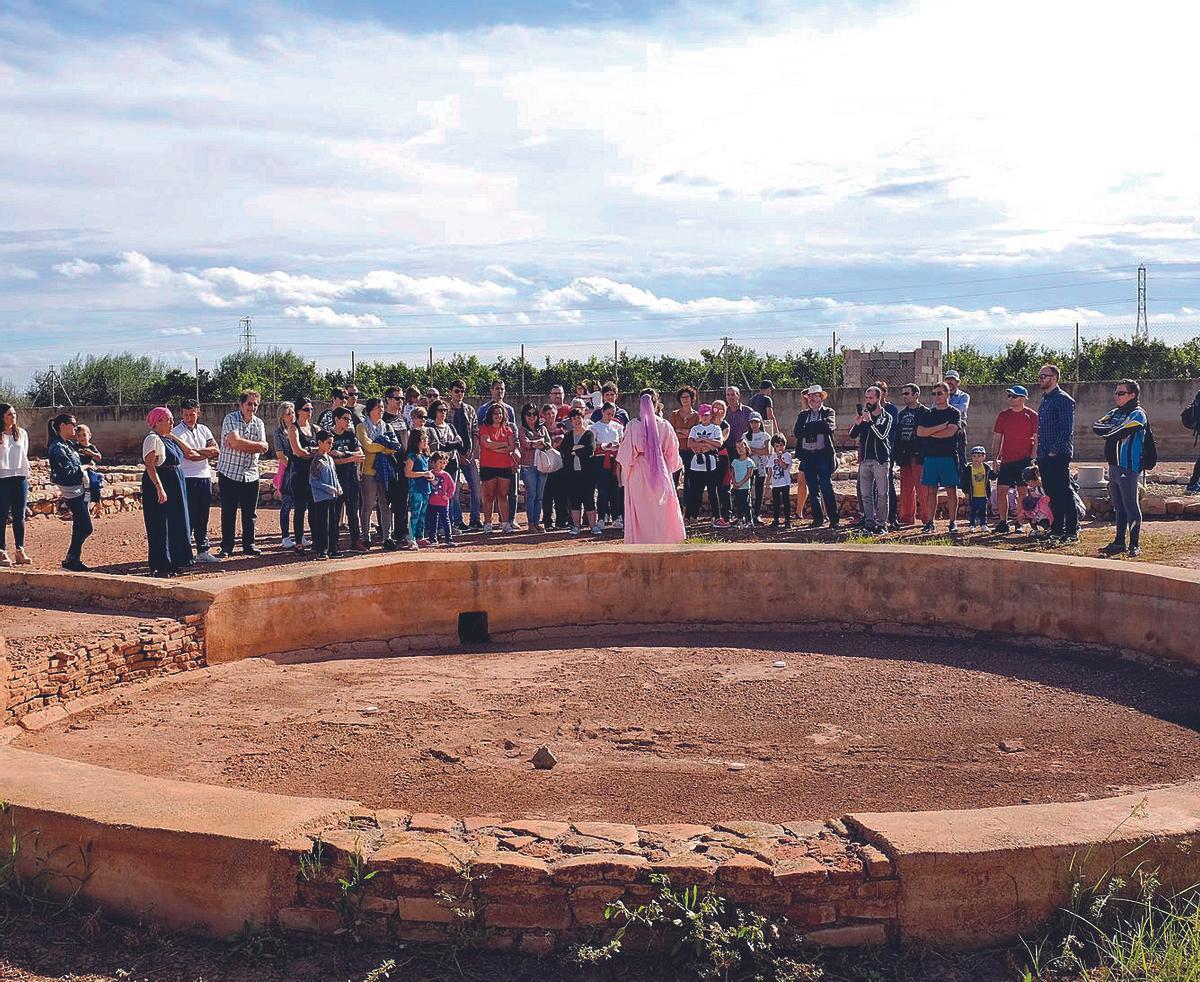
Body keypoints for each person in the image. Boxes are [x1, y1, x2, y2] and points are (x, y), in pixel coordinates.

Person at [614, 389, 685, 544]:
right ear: (656, 403)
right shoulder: (664, 425)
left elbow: (625, 455)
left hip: (639, 471)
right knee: (660, 509)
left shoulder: (633, 425)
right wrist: (667, 467)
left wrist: (627, 472)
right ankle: (663, 540)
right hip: (660, 470)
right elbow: (673, 453)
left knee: (642, 509)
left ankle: (642, 541)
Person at [1093, 379, 1148, 558]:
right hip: (1113, 466)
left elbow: (1120, 432)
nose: (1116, 396)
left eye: (1121, 393)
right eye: (1116, 392)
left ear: (1132, 395)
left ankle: (1134, 544)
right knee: (1118, 506)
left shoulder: (1138, 413)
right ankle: (1119, 541)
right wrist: (1114, 429)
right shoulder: (1114, 412)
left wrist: (1112, 429)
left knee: (1131, 504)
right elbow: (1097, 426)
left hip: (1128, 466)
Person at [141, 407, 193, 577]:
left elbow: (188, 451)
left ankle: (174, 561)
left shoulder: (168, 439)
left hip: (175, 483)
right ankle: (160, 565)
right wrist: (159, 488)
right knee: (160, 523)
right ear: (158, 422)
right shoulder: (152, 439)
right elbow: (150, 465)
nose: (172, 422)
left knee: (175, 522)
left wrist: (172, 435)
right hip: (161, 482)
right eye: (168, 419)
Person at [217, 389, 268, 558]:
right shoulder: (230, 419)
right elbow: (234, 442)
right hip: (229, 473)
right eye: (249, 404)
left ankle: (249, 544)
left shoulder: (259, 423)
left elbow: (264, 447)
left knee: (250, 513)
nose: (252, 407)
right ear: (241, 404)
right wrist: (254, 446)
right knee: (228, 512)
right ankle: (227, 546)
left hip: (251, 474)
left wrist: (241, 444)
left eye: (255, 404)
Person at [172, 399, 220, 563]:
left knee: (202, 516)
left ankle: (202, 550)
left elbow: (216, 450)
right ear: (181, 414)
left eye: (192, 414)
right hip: (187, 478)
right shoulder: (177, 432)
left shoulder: (204, 430)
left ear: (198, 413)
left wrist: (195, 451)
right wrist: (203, 453)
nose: (189, 418)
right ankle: (184, 553)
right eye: (185, 415)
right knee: (188, 517)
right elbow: (188, 455)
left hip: (204, 477)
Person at [1036, 364, 1078, 545]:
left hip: (1057, 455)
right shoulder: (1045, 399)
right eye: (1040, 376)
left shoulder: (1063, 399)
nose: (1040, 379)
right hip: (1044, 454)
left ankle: (1072, 531)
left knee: (1064, 492)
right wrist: (1041, 453)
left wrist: (1054, 450)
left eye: (1043, 376)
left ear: (1054, 378)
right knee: (1052, 493)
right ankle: (1057, 529)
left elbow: (1066, 429)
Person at [48, 413, 94, 571]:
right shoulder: (57, 447)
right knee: (86, 527)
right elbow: (69, 471)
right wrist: (86, 467)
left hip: (78, 489)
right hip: (71, 491)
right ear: (62, 425)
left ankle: (73, 560)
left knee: (79, 525)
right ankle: (70, 559)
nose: (75, 428)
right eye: (72, 424)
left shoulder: (67, 444)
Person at [990, 384, 1038, 534]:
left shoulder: (1032, 415)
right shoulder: (1003, 415)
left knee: (1022, 492)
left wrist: (1033, 458)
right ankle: (1002, 522)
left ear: (1023, 399)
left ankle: (1019, 522)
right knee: (1001, 491)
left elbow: (1037, 439)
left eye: (1014, 396)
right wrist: (995, 459)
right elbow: (997, 438)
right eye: (1009, 395)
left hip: (1024, 460)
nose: (1010, 398)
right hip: (1006, 460)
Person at [916, 381, 962, 534]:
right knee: (931, 490)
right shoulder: (928, 414)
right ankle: (930, 522)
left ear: (947, 394)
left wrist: (930, 433)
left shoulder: (954, 413)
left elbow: (950, 432)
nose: (937, 396)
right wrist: (940, 427)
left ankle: (952, 522)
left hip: (948, 456)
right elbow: (920, 432)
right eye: (934, 394)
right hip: (930, 456)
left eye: (940, 393)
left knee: (951, 490)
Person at [357, 398, 402, 550]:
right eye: (378, 407)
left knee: (385, 504)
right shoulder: (361, 427)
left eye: (382, 407)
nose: (381, 410)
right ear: (370, 410)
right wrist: (384, 446)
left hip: (385, 471)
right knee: (368, 504)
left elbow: (395, 447)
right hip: (368, 471)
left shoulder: (387, 426)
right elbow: (368, 447)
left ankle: (387, 537)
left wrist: (379, 444)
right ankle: (366, 537)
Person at [849, 385, 894, 535]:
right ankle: (869, 523)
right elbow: (852, 435)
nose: (868, 401)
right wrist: (858, 423)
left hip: (880, 460)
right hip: (865, 459)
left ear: (879, 398)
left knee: (882, 494)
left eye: (871, 398)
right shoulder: (865, 415)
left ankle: (881, 524)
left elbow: (882, 436)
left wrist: (869, 422)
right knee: (866, 494)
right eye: (867, 398)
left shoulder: (886, 416)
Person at [793, 385, 839, 529]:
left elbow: (828, 427)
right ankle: (818, 519)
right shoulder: (803, 415)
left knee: (826, 486)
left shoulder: (829, 412)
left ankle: (833, 519)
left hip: (823, 455)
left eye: (815, 395)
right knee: (813, 489)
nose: (812, 399)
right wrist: (817, 427)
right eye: (810, 396)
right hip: (808, 456)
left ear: (820, 397)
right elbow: (797, 432)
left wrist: (808, 427)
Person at [479, 379, 520, 528]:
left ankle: (506, 522)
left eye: (502, 389)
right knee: (489, 496)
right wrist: (502, 446)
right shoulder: (483, 415)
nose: (498, 415)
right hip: (488, 464)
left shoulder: (509, 422)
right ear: (491, 390)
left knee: (504, 495)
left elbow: (511, 446)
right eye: (497, 388)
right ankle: (487, 523)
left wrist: (496, 447)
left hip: (504, 465)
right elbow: (486, 443)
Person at [424, 399, 464, 538]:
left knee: (451, 495)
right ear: (434, 412)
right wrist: (451, 444)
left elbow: (459, 443)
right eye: (440, 410)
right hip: (436, 467)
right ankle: (435, 527)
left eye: (445, 410)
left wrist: (449, 444)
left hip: (451, 464)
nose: (443, 413)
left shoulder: (450, 427)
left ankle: (449, 525)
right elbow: (436, 446)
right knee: (435, 495)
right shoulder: (429, 428)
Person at [329, 408, 366, 552]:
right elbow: (332, 460)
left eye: (349, 419)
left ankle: (356, 541)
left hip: (351, 478)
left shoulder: (350, 434)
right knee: (335, 512)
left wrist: (342, 454)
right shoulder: (329, 435)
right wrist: (350, 458)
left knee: (353, 511)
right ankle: (333, 543)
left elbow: (360, 455)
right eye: (345, 419)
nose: (348, 422)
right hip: (336, 479)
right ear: (336, 419)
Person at [0, 403, 32, 566]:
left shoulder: (22, 433)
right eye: (9, 414)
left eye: (14, 413)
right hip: (2, 478)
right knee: (2, 515)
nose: (13, 417)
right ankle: (1, 551)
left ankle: (20, 550)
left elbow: (24, 454)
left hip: (20, 478)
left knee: (19, 516)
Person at [447, 380, 480, 531]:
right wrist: (458, 454)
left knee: (476, 487)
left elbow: (475, 432)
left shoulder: (470, 410)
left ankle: (475, 519)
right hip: (453, 456)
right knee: (454, 490)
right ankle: (457, 521)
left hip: (469, 454)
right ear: (450, 392)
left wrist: (472, 452)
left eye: (462, 391)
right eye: (456, 391)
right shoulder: (446, 410)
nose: (459, 394)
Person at [286, 399, 318, 553]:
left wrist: (310, 452)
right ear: (298, 411)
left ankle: (316, 539)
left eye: (311, 409)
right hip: (299, 472)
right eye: (306, 409)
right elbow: (297, 451)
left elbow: (324, 448)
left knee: (314, 507)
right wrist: (314, 451)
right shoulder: (293, 428)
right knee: (300, 507)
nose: (309, 412)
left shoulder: (315, 428)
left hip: (314, 473)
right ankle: (298, 541)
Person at [560, 407, 599, 535]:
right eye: (574, 418)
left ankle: (593, 526)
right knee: (574, 500)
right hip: (572, 474)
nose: (577, 420)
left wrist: (574, 450)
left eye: (579, 418)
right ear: (571, 421)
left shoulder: (589, 434)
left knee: (589, 500)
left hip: (587, 474)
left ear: (583, 419)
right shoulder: (568, 435)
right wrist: (579, 448)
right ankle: (576, 526)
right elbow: (564, 451)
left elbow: (590, 450)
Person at [307, 429, 343, 559]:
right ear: (320, 443)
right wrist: (329, 488)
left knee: (333, 523)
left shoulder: (330, 459)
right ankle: (322, 550)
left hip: (332, 496)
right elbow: (313, 481)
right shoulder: (317, 460)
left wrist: (338, 487)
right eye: (328, 442)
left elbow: (335, 476)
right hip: (321, 497)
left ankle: (332, 549)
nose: (330, 445)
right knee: (323, 524)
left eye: (331, 443)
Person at [893, 383, 925, 527]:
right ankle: (906, 517)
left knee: (922, 488)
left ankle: (927, 518)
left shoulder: (925, 412)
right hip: (905, 455)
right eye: (903, 394)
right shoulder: (901, 414)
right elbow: (897, 436)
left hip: (919, 455)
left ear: (916, 395)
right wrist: (897, 455)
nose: (904, 396)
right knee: (906, 488)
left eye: (907, 393)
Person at [686, 403, 723, 525]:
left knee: (713, 491)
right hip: (697, 464)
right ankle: (692, 516)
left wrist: (704, 441)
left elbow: (719, 444)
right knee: (695, 491)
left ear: (711, 416)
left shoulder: (715, 428)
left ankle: (717, 516)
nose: (705, 417)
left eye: (707, 415)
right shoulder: (695, 429)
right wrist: (707, 445)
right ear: (699, 416)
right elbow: (690, 444)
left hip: (711, 464)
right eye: (702, 415)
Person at [518, 402, 551, 532]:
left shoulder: (542, 429)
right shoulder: (522, 430)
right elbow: (526, 444)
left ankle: (537, 522)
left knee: (539, 496)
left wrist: (536, 443)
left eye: (534, 414)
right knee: (531, 495)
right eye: (528, 414)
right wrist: (538, 442)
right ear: (524, 416)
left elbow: (548, 443)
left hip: (542, 465)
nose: (532, 417)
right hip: (528, 466)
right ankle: (531, 523)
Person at [591, 402, 625, 531]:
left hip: (615, 460)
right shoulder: (594, 427)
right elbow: (592, 445)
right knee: (603, 489)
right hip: (600, 461)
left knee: (615, 489)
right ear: (602, 412)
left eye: (612, 414)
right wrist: (603, 446)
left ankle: (616, 517)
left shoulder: (618, 426)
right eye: (608, 414)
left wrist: (616, 446)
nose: (610, 416)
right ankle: (601, 517)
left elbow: (622, 442)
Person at [540, 403, 570, 530]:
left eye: (552, 413)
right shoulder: (540, 428)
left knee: (561, 494)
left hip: (560, 464)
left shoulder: (562, 426)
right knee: (547, 495)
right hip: (546, 465)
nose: (550, 416)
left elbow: (568, 442)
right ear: (543, 415)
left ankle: (561, 521)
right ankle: (547, 522)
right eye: (547, 414)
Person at [404, 429, 433, 549]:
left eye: (426, 439)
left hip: (426, 488)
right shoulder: (412, 456)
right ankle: (411, 539)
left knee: (422, 514)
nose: (425, 441)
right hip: (416, 490)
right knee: (415, 514)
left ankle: (420, 537)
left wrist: (430, 476)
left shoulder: (424, 455)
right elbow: (408, 473)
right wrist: (424, 474)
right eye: (423, 439)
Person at [670, 386, 699, 494]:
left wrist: (681, 431)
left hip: (691, 450)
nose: (685, 399)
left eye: (687, 397)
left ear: (692, 398)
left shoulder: (697, 416)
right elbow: (672, 433)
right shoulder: (675, 414)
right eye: (682, 397)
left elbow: (696, 434)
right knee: (674, 476)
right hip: (677, 450)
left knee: (689, 478)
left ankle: (688, 502)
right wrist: (687, 432)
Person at [745, 412, 771, 525]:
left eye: (756, 421)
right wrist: (756, 450)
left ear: (760, 423)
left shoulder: (765, 436)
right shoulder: (745, 436)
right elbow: (744, 451)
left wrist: (752, 449)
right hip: (749, 466)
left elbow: (767, 451)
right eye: (752, 422)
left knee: (759, 490)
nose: (754, 424)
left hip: (761, 466)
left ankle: (757, 514)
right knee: (747, 489)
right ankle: (747, 513)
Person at [427, 452, 458, 547]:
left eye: (444, 463)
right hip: (431, 502)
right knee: (432, 521)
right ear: (433, 463)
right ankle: (432, 539)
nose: (442, 465)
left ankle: (449, 539)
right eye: (440, 462)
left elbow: (452, 486)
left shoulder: (446, 475)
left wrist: (448, 496)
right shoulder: (429, 474)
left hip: (443, 503)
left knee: (445, 521)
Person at [73, 424, 104, 517]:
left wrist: (91, 453)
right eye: (79, 436)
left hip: (88, 469)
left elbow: (99, 457)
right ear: (76, 438)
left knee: (94, 483)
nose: (82, 438)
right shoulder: (75, 447)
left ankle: (98, 504)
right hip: (78, 469)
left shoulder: (91, 447)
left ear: (89, 435)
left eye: (84, 435)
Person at [963, 446, 994, 530]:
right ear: (971, 457)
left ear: (984, 457)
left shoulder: (986, 468)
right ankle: (972, 524)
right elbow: (965, 481)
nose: (976, 458)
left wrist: (997, 470)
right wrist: (966, 492)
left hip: (983, 494)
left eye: (979, 456)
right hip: (973, 495)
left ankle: (984, 524)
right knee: (973, 510)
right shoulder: (968, 469)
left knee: (983, 510)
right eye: (974, 456)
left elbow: (992, 476)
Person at [1018, 464, 1054, 537]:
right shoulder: (1037, 489)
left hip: (1053, 509)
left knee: (1039, 506)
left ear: (1033, 479)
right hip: (1044, 511)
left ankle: (1051, 528)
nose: (1027, 483)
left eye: (1027, 481)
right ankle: (1036, 529)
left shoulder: (1047, 485)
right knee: (1028, 504)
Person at [945, 370, 970, 469]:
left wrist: (944, 407)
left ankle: (963, 478)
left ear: (957, 382)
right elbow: (934, 409)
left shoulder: (964, 396)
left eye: (952, 379)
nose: (949, 382)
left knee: (961, 458)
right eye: (947, 379)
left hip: (958, 430)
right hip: (943, 430)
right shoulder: (940, 395)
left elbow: (962, 408)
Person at [768, 434, 793, 527]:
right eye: (777, 446)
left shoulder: (787, 455)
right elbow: (770, 469)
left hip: (785, 483)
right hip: (775, 483)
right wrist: (767, 482)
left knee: (786, 501)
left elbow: (785, 466)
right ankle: (776, 519)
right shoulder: (772, 456)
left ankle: (787, 519)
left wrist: (779, 458)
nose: (779, 448)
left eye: (781, 445)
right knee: (776, 502)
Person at [730, 440, 755, 527]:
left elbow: (749, 474)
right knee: (738, 503)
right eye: (738, 447)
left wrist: (740, 483)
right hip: (736, 487)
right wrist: (734, 482)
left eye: (741, 446)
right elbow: (732, 473)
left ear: (746, 447)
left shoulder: (749, 462)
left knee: (746, 504)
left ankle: (749, 521)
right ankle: (740, 520)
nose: (740, 449)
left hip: (745, 487)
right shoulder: (735, 461)